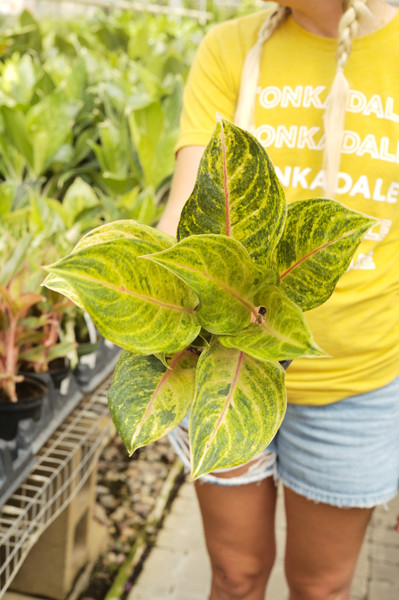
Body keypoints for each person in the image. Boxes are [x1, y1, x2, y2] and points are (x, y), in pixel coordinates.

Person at [157, 1, 399, 598]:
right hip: (223, 373)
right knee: (234, 574)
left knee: (321, 587)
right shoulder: (228, 47)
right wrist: (138, 302)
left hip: (355, 387)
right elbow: (180, 225)